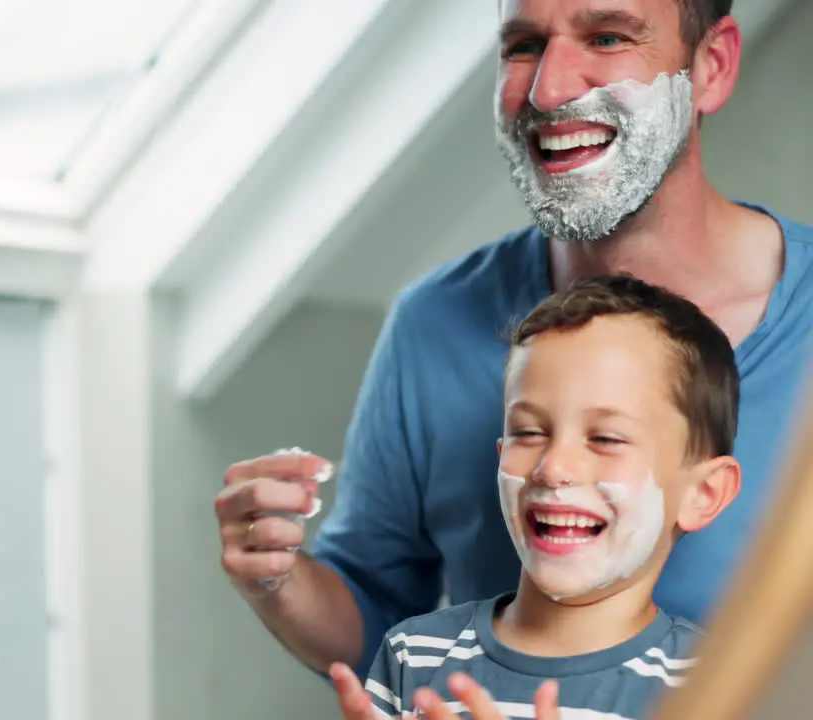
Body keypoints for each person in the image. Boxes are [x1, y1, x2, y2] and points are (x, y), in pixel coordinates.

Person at [213, 0, 813, 683]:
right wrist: (277, 577)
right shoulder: (435, 323)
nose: (549, 89)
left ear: (712, 66)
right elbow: (376, 625)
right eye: (524, 45)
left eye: (608, 36)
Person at [327, 273, 741, 719]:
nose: (554, 467)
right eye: (528, 432)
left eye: (605, 437)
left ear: (703, 493)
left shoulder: (713, 685)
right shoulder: (413, 654)